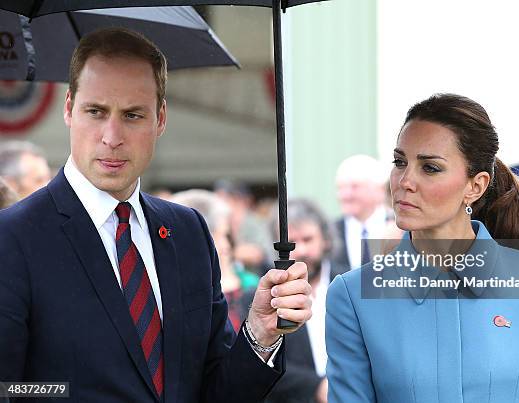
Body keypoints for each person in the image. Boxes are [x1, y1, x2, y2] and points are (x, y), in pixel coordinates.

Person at [0, 28, 312, 403]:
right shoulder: (13, 238)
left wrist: (260, 333)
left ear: (160, 119)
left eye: (132, 115)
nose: (111, 136)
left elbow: (216, 391)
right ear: (69, 109)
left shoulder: (188, 232)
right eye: (96, 112)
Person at [326, 93, 519, 402]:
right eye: (399, 162)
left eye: (430, 167)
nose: (404, 181)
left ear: (475, 186)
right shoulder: (351, 296)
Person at [266, 198, 349, 403]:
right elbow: (265, 364)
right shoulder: (265, 297)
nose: (301, 251)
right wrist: (316, 387)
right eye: (293, 243)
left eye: (308, 239)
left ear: (326, 239)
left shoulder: (352, 285)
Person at [171, 189, 260, 332]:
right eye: (219, 236)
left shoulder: (249, 286)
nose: (226, 245)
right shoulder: (173, 292)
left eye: (226, 235)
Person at [333, 154, 392, 270]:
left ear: (379, 190)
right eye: (340, 188)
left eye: (355, 187)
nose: (346, 195)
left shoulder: (400, 229)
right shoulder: (330, 232)